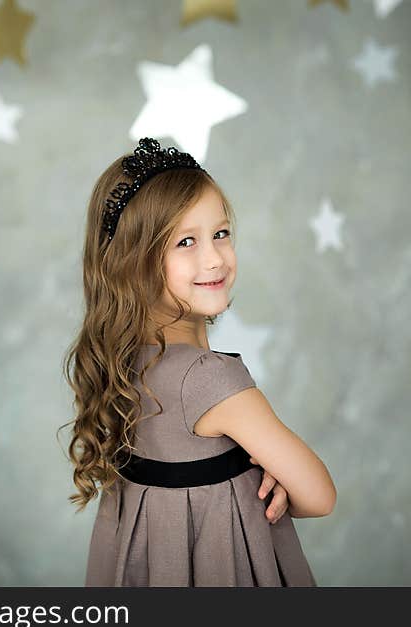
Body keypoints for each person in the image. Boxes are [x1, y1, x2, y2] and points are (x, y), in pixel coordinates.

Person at [63, 137, 336, 586]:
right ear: (134, 263)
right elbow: (320, 496)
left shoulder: (121, 362)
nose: (214, 258)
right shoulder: (211, 381)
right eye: (185, 242)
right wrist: (277, 482)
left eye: (221, 234)